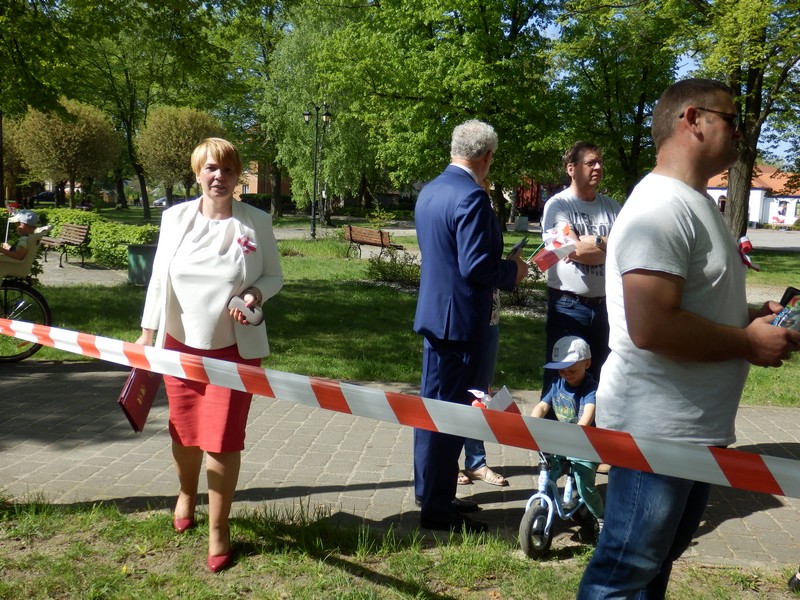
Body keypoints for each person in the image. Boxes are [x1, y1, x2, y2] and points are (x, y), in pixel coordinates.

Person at [577, 78, 800, 598]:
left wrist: (755, 316)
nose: (742, 132)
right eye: (732, 120)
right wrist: (748, 343)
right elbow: (652, 325)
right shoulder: (660, 207)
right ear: (693, 119)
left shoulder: (695, 202)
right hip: (657, 426)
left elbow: (690, 302)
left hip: (690, 426)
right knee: (625, 570)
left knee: (654, 563)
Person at [135, 137, 283, 573]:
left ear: (238, 177)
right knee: (183, 433)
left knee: (221, 438)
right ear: (198, 173)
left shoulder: (256, 221)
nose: (219, 176)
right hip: (179, 344)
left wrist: (254, 294)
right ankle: (186, 493)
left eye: (228, 169)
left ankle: (219, 528)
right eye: (211, 168)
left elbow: (273, 276)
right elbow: (158, 280)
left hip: (235, 351)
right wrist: (147, 334)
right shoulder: (175, 218)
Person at [412, 119, 528, 533]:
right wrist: (513, 271)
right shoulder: (473, 197)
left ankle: (431, 493)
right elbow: (475, 266)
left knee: (431, 411)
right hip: (461, 324)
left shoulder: (431, 190)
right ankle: (438, 510)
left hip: (436, 316)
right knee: (452, 418)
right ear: (487, 156)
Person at [540, 141, 621, 399]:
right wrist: (608, 246)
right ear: (571, 169)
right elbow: (572, 251)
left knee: (601, 381)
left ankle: (593, 425)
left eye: (600, 162)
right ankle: (551, 425)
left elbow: (626, 249)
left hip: (606, 307)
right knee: (561, 380)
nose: (597, 167)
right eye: (590, 163)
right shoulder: (557, 206)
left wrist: (592, 241)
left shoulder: (613, 208)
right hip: (568, 307)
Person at [459, 179, 508, 489]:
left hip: (490, 313)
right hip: (464, 317)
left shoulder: (485, 208)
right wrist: (510, 271)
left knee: (480, 390)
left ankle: (476, 461)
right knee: (453, 392)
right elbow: (472, 264)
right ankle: (447, 462)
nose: (487, 183)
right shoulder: (463, 204)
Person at [530, 336, 604, 536]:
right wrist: (531, 423)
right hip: (562, 441)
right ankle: (544, 507)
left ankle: (601, 517)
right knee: (548, 475)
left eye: (571, 370)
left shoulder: (590, 387)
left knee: (585, 485)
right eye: (561, 370)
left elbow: (589, 413)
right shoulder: (557, 384)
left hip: (584, 444)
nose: (566, 374)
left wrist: (578, 431)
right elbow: (542, 406)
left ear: (586, 364)